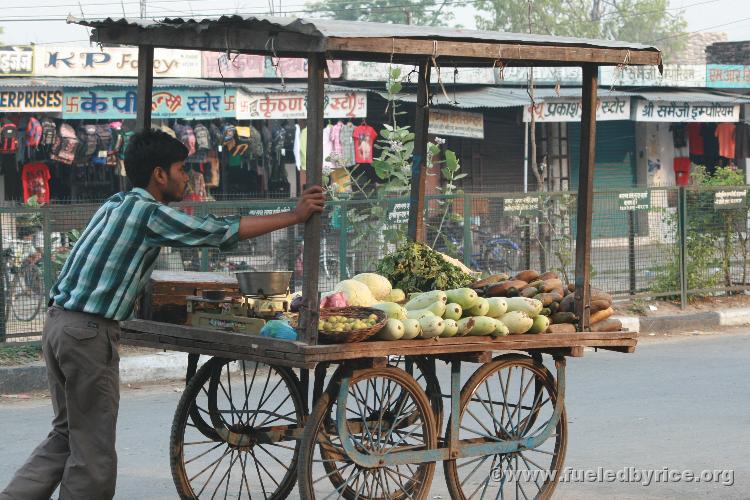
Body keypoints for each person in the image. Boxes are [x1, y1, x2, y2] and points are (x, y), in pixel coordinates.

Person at [0, 129, 325, 500]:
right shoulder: (149, 214)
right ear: (159, 174)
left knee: (67, 434)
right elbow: (219, 232)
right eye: (181, 168)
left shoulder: (116, 203)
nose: (187, 176)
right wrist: (296, 215)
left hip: (59, 325)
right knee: (93, 450)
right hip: (88, 333)